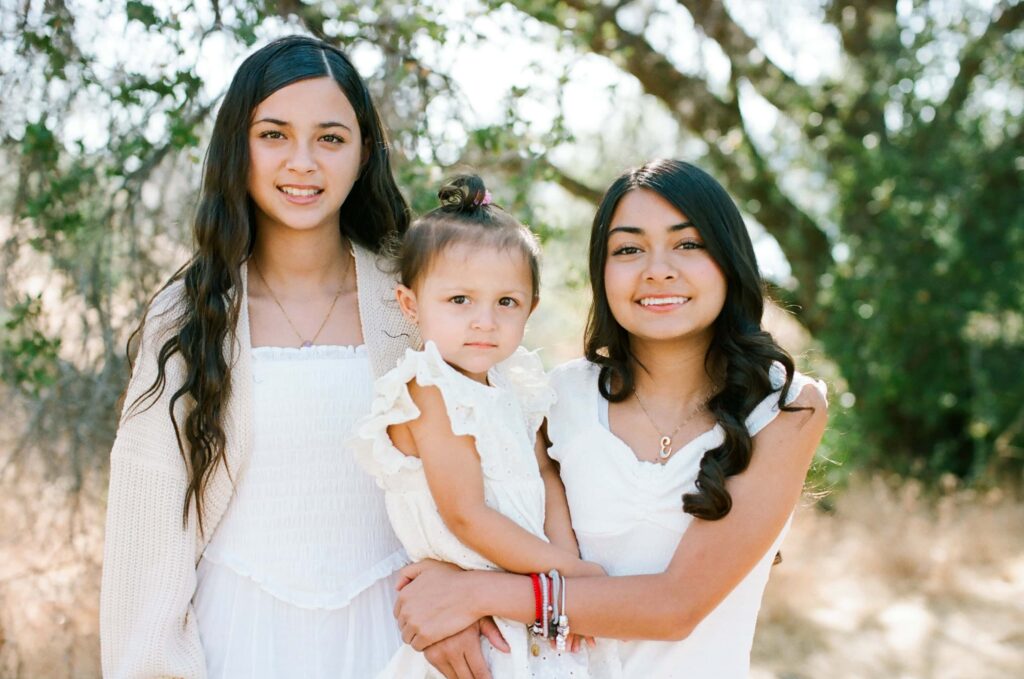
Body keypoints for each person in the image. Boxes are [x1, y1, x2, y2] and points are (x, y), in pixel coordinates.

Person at [99, 36, 492, 678]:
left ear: (364, 153)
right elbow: (146, 533)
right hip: (237, 642)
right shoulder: (189, 314)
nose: (302, 162)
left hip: (400, 639)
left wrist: (466, 592)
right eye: (274, 135)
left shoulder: (416, 299)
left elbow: (493, 465)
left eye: (331, 138)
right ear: (239, 148)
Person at [390, 159, 829, 678]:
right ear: (602, 271)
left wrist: (474, 593)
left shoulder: (784, 408)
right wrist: (447, 598)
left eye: (688, 244)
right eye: (628, 249)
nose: (658, 269)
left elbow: (675, 608)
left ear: (728, 259)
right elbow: (471, 510)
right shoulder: (553, 397)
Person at [350, 175, 612, 679]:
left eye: (506, 303)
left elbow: (546, 476)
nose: (484, 321)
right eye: (460, 301)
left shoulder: (516, 386)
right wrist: (568, 577)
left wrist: (565, 565)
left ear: (530, 309)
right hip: (473, 617)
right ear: (411, 304)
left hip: (530, 598)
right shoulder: (428, 390)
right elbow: (465, 514)